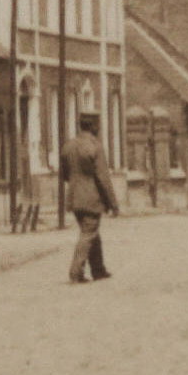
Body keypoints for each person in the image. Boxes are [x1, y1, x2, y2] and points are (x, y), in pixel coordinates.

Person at [61, 109, 117, 282]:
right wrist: (113, 204)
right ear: (93, 126)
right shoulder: (95, 146)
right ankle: (76, 272)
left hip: (74, 198)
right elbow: (103, 178)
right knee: (88, 233)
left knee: (92, 231)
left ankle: (98, 269)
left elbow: (64, 174)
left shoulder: (68, 146)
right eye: (97, 125)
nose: (98, 129)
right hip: (91, 198)